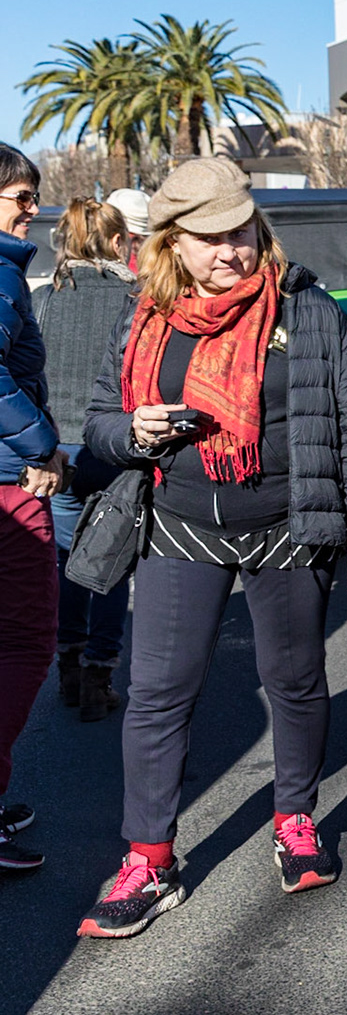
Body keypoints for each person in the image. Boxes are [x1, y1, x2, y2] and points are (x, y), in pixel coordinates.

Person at [78, 158, 347, 936]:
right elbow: (95, 422)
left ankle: (295, 819)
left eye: (242, 232)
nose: (231, 251)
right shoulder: (141, 316)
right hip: (178, 528)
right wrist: (131, 432)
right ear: (172, 246)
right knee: (157, 694)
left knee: (294, 681)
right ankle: (149, 860)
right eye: (210, 238)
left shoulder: (311, 311)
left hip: (289, 529)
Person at [34, 200, 137, 722]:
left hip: (57, 449)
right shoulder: (135, 299)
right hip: (116, 445)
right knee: (111, 563)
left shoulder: (44, 299)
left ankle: (68, 668)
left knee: (66, 562)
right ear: (119, 244)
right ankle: (100, 674)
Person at [0, 145, 66, 873]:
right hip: (10, 486)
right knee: (25, 640)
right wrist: (42, 444)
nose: (31, 207)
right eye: (20, 194)